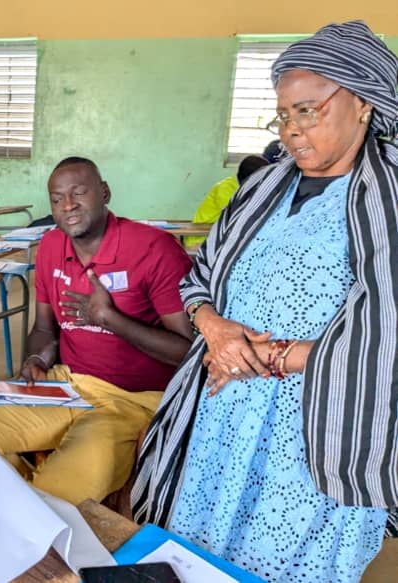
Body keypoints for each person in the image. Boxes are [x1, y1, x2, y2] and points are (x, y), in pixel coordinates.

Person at [132, 21, 398, 582]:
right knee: (197, 549)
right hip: (222, 404)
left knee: (284, 562)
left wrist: (271, 359)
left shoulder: (389, 197)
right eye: (284, 115)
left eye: (309, 111)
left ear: (364, 103)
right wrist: (217, 331)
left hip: (317, 426)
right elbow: (197, 276)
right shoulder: (261, 189)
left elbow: (387, 330)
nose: (293, 130)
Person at [0, 157, 194, 505]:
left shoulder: (153, 249)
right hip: (64, 384)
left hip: (131, 401)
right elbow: (43, 329)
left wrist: (109, 318)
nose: (67, 206)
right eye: (56, 199)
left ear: (104, 193)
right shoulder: (52, 247)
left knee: (58, 494)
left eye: (78, 193)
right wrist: (36, 357)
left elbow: (187, 351)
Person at [183, 155, 270, 246]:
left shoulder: (242, 186)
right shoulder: (225, 189)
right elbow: (240, 217)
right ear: (252, 179)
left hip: (219, 236)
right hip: (202, 239)